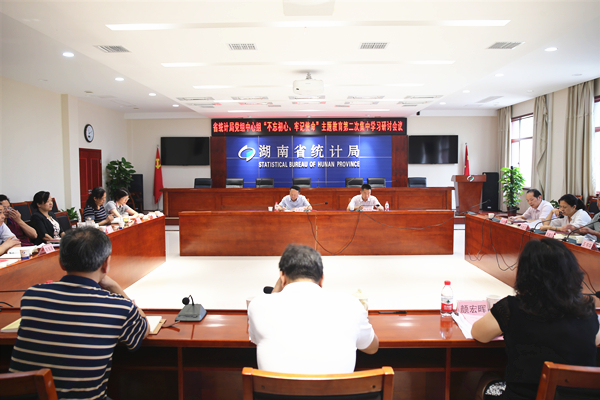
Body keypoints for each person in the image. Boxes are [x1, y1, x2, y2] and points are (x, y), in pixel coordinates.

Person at [9, 226, 149, 400]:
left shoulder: (32, 295)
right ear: (106, 264)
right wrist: (115, 287)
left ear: (61, 262)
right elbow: (144, 329)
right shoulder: (119, 307)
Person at [471, 239, 600, 400]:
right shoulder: (587, 312)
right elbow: (594, 341)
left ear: (525, 273)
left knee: (486, 380)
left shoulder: (512, 308)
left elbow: (478, 334)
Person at [248, 244, 379, 374]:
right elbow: (372, 348)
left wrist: (277, 287)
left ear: (283, 277)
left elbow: (256, 339)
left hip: (275, 389)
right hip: (336, 389)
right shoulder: (351, 304)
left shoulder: (258, 305)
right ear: (321, 279)